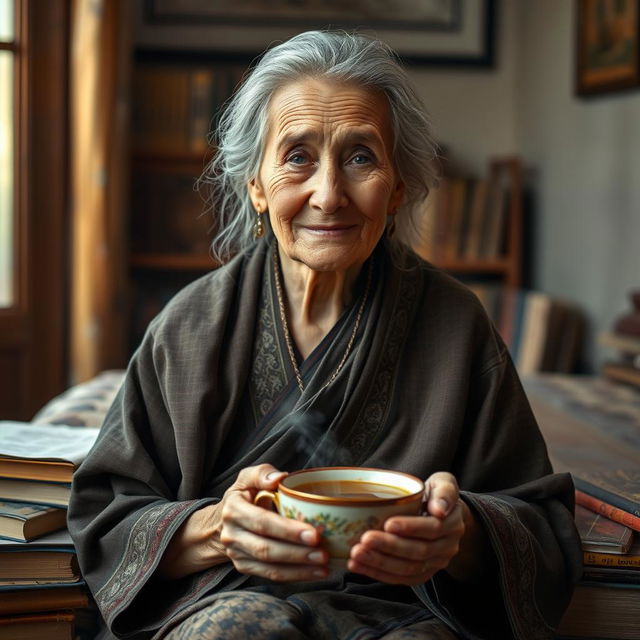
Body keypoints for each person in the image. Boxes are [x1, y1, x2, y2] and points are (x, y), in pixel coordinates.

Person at [68, 30, 582, 640]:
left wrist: (462, 532)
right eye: (297, 157)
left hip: (409, 609)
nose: (329, 194)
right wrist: (217, 531)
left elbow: (542, 526)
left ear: (396, 189)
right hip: (220, 597)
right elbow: (104, 518)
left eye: (361, 156)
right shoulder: (191, 323)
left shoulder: (454, 322)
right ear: (256, 186)